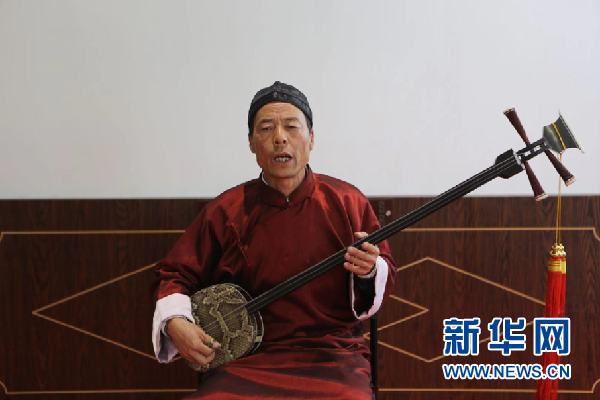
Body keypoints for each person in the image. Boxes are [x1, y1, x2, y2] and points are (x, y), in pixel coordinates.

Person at [152, 81, 396, 399]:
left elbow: (381, 268)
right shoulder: (226, 210)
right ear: (252, 143)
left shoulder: (347, 202)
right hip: (247, 360)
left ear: (311, 139)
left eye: (291, 126)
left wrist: (368, 271)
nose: (280, 137)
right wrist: (176, 322)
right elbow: (174, 273)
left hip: (332, 355)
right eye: (266, 128)